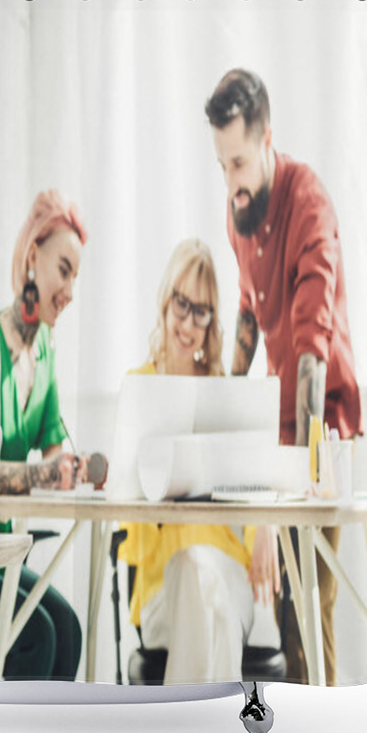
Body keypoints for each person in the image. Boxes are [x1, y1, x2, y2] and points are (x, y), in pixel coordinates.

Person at [205, 68, 363, 685]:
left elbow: (308, 351)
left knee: (310, 606)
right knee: (290, 614)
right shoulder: (238, 211)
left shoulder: (309, 203)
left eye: (239, 164)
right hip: (280, 426)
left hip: (326, 427)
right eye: (221, 167)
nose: (231, 183)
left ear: (268, 138)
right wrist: (218, 399)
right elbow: (249, 307)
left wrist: (289, 482)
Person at [119, 238, 281, 685]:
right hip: (159, 592)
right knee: (198, 580)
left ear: (212, 321)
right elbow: (122, 497)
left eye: (201, 310)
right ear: (166, 299)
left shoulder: (223, 393)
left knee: (208, 580)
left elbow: (255, 479)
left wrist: (266, 519)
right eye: (182, 304)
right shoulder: (140, 388)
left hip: (228, 573)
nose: (188, 322)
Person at [0, 189, 87, 681]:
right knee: (40, 635)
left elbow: (54, 447)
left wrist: (74, 467)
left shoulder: (44, 351)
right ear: (31, 257)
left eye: (74, 277)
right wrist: (47, 472)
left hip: (5, 555)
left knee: (68, 628)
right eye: (63, 270)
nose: (69, 289)